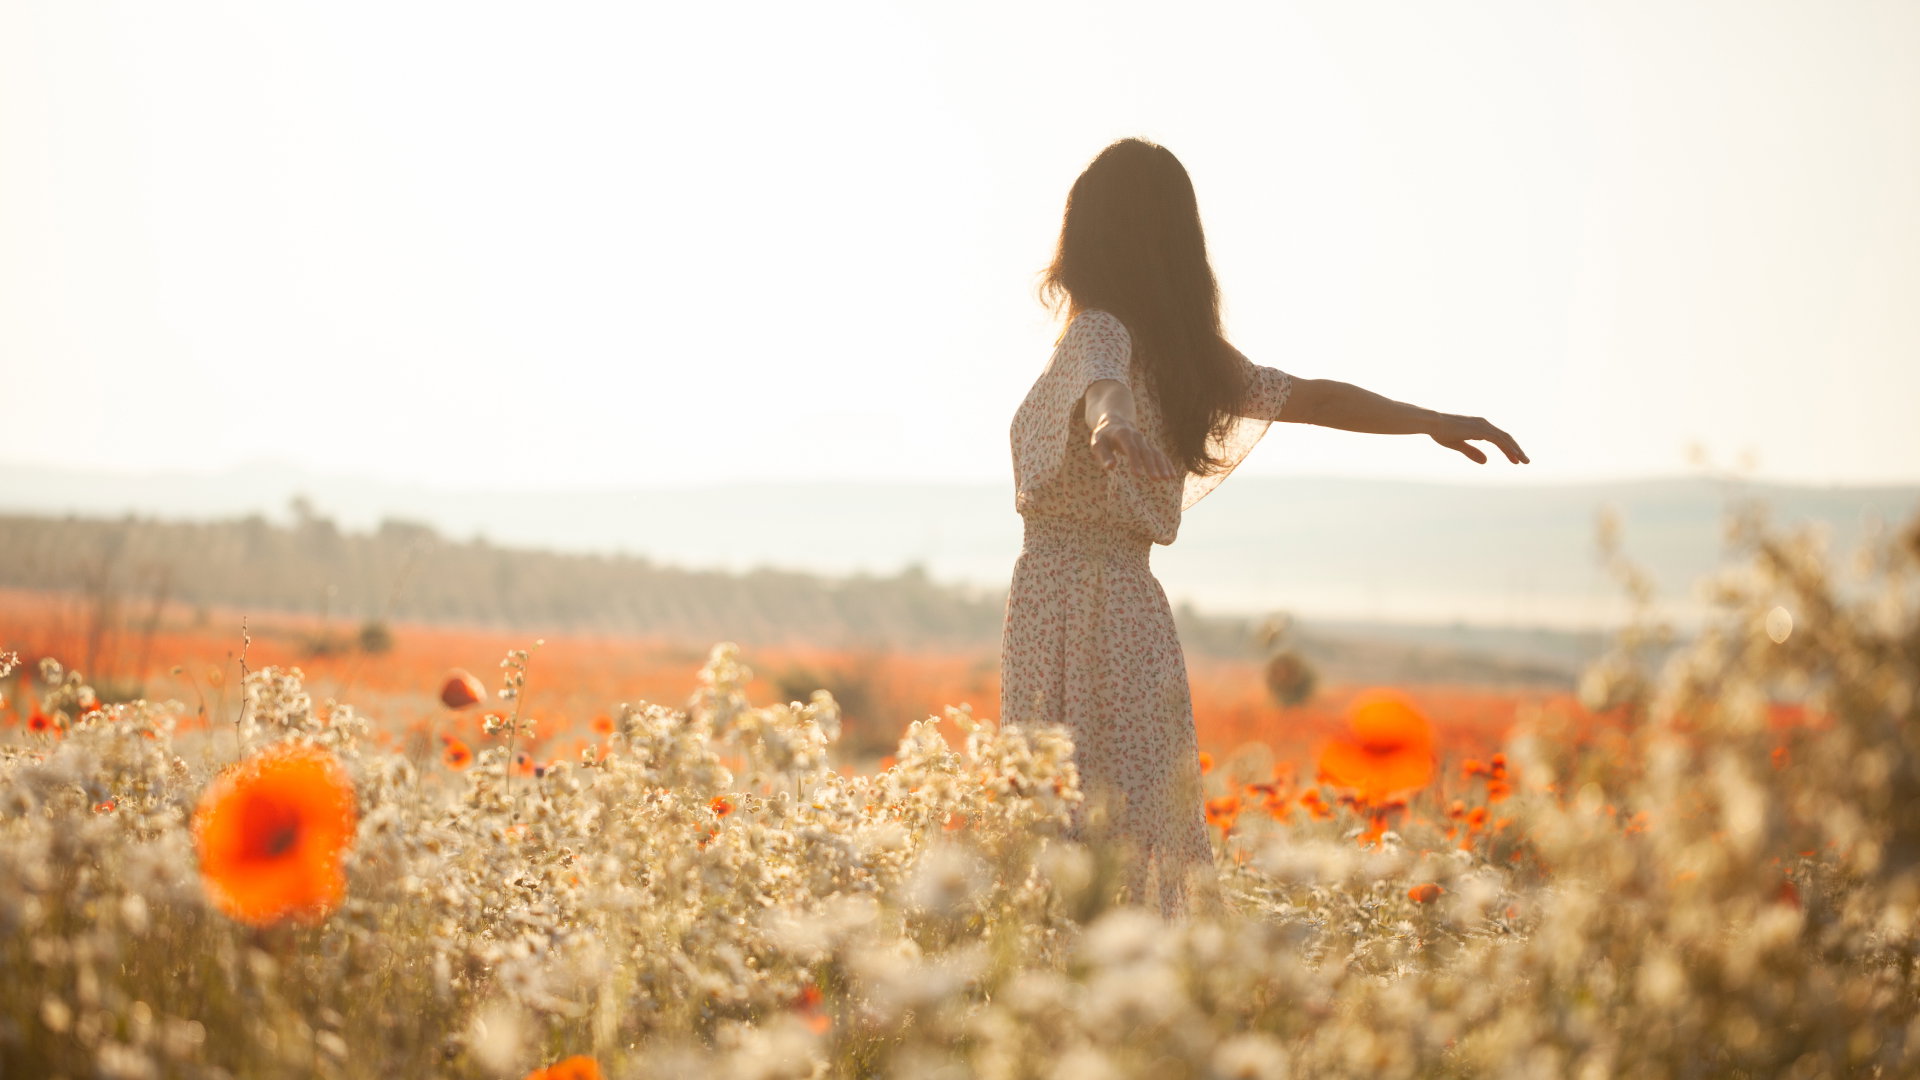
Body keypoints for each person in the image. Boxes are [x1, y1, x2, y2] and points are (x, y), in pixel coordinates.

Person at [1001, 137, 1529, 920]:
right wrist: (1429, 421)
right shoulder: (1186, 359)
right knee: (1137, 831)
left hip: (1065, 607)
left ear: (1088, 232)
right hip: (1135, 618)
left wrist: (1111, 425)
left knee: (1065, 837)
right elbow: (1310, 397)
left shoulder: (1099, 332)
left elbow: (1104, 390)